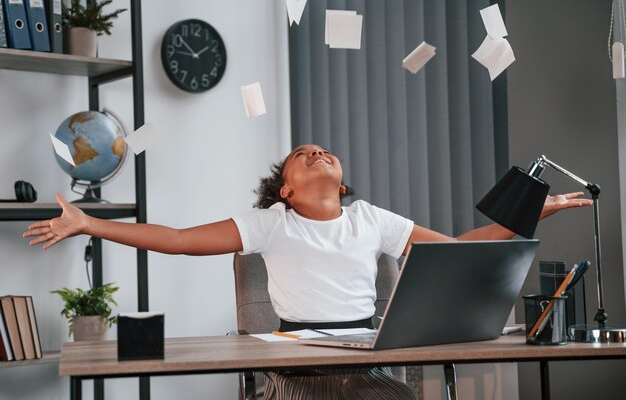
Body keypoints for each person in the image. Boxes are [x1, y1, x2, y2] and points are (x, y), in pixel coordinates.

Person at [24, 144, 591, 400]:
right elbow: (176, 240)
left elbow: (457, 249)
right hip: (299, 370)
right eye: (302, 154)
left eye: (325, 152)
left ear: (341, 183)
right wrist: (91, 225)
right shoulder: (273, 224)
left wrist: (527, 214)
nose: (317, 152)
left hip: (369, 358)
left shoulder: (369, 218)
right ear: (286, 189)